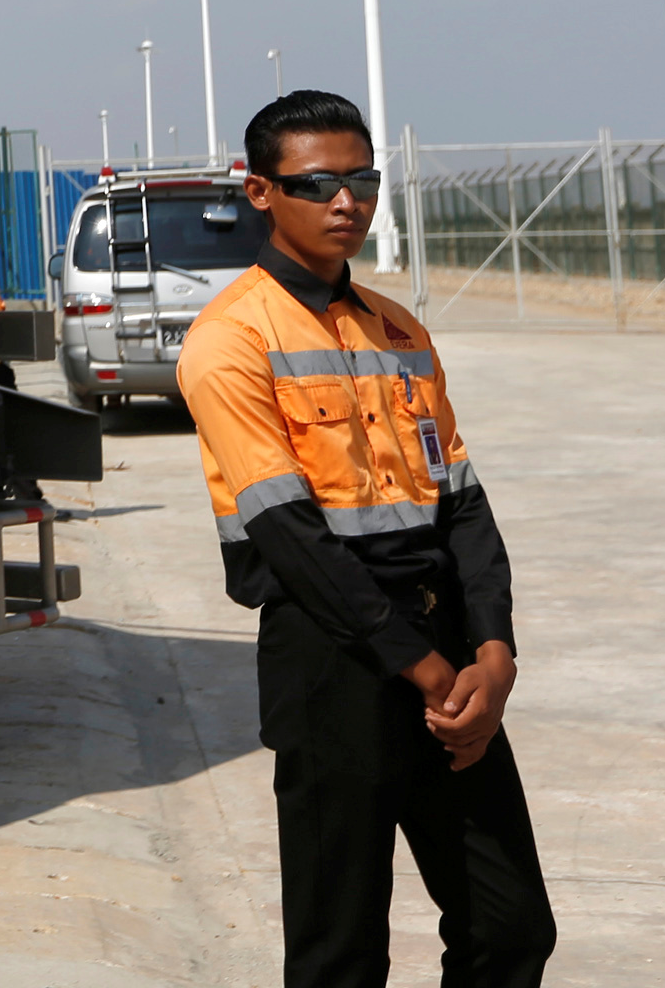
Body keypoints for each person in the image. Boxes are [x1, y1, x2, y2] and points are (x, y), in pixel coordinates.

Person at [180, 89, 554, 987]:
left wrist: (493, 656)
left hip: (449, 659)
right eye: (317, 183)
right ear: (260, 192)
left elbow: (463, 505)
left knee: (511, 930)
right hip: (332, 664)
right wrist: (422, 668)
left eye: (361, 179)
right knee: (341, 954)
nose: (346, 201)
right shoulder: (230, 340)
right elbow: (290, 536)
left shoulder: (401, 334)